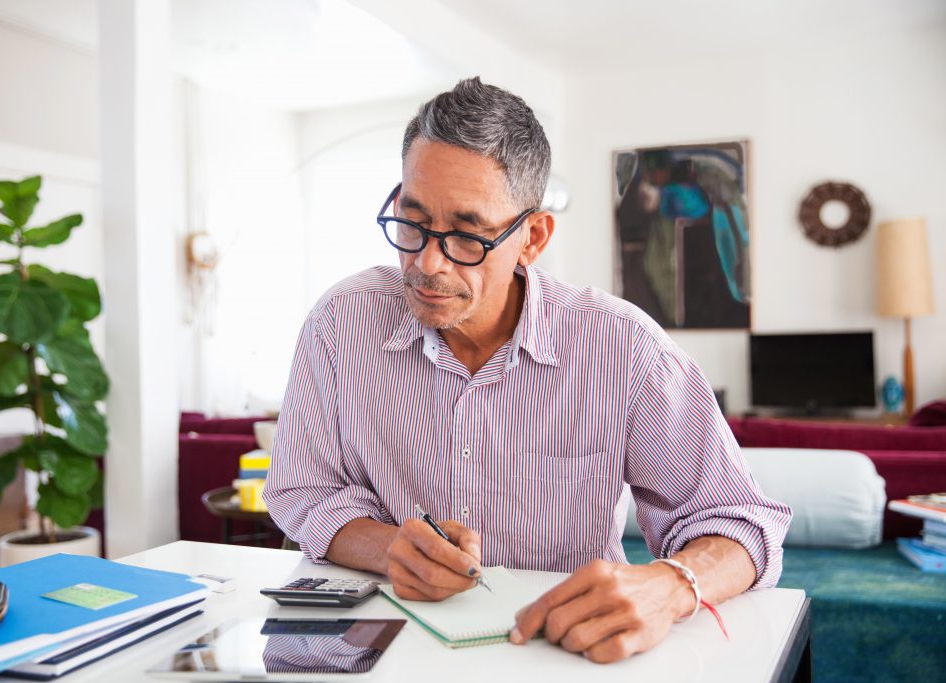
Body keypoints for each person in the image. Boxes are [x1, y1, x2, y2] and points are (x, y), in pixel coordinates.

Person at [264, 77, 791, 664]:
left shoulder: (622, 347)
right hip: (389, 650)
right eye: (411, 222)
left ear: (533, 237)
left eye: (466, 235)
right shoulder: (339, 325)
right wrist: (389, 548)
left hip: (560, 655)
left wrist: (668, 586)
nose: (426, 262)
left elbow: (742, 523)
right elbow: (300, 491)